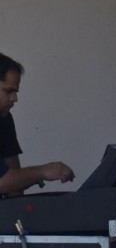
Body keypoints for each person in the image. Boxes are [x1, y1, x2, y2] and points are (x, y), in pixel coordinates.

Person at [0, 53, 76, 196]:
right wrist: (41, 172)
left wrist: (26, 179)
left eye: (15, 92)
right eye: (8, 91)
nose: (14, 98)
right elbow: (2, 182)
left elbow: (13, 187)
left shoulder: (4, 119)